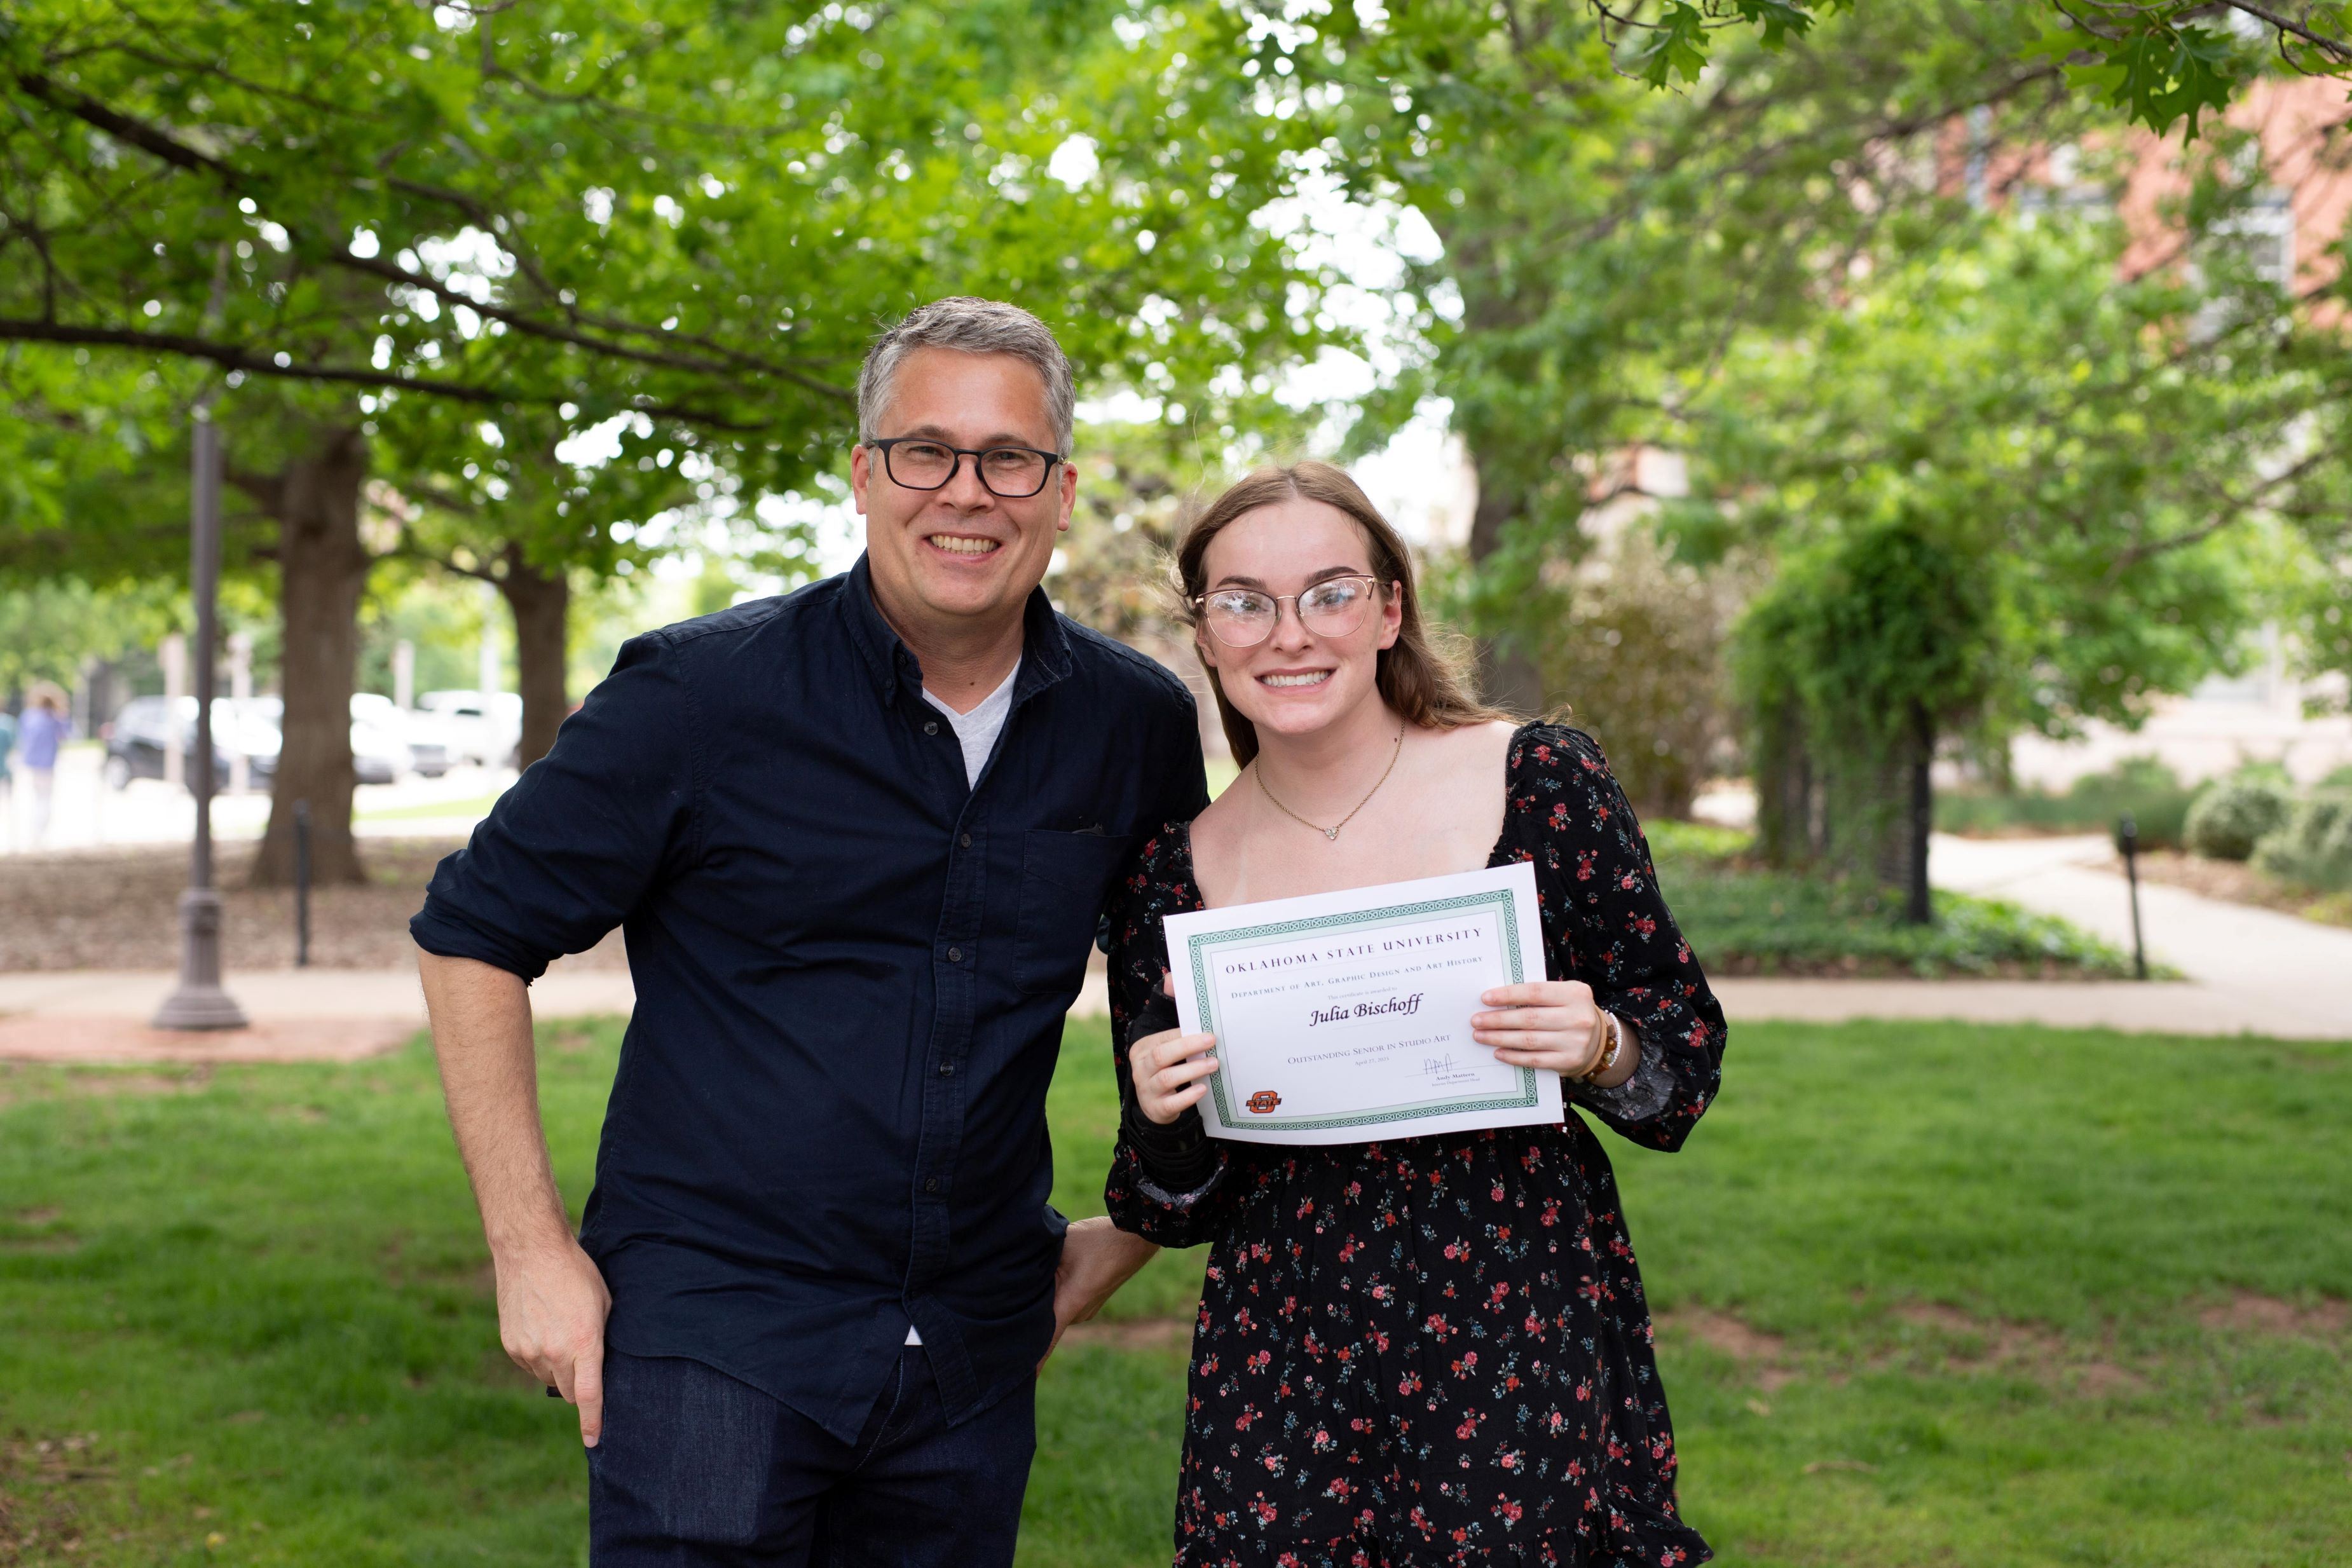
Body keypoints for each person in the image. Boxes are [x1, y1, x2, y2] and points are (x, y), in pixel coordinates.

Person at [409, 297, 1205, 1566]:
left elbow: (1182, 988)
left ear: (1059, 492)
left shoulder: (1133, 724)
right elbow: (470, 936)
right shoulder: (697, 694)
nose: (967, 492)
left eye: (1008, 459)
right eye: (924, 451)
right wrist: (529, 1251)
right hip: (715, 1351)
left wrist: (1133, 1230)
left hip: (968, 1360)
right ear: (861, 474)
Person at [1102, 461, 1728, 1566]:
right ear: (1206, 634)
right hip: (1284, 1350)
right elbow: (1177, 1197)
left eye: (1328, 591)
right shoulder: (1172, 872)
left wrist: (1597, 1042)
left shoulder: (1539, 783)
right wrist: (1162, 1114)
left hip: (1513, 1321)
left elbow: (1681, 1055)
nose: (1287, 633)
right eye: (1243, 600)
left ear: (1391, 607)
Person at [18, 684, 71, 846]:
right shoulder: (56, 718)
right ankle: (40, 830)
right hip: (47, 763)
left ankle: (36, 830)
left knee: (38, 796)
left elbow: (23, 737)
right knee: (45, 798)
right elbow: (67, 736)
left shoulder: (29, 715)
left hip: (34, 762)